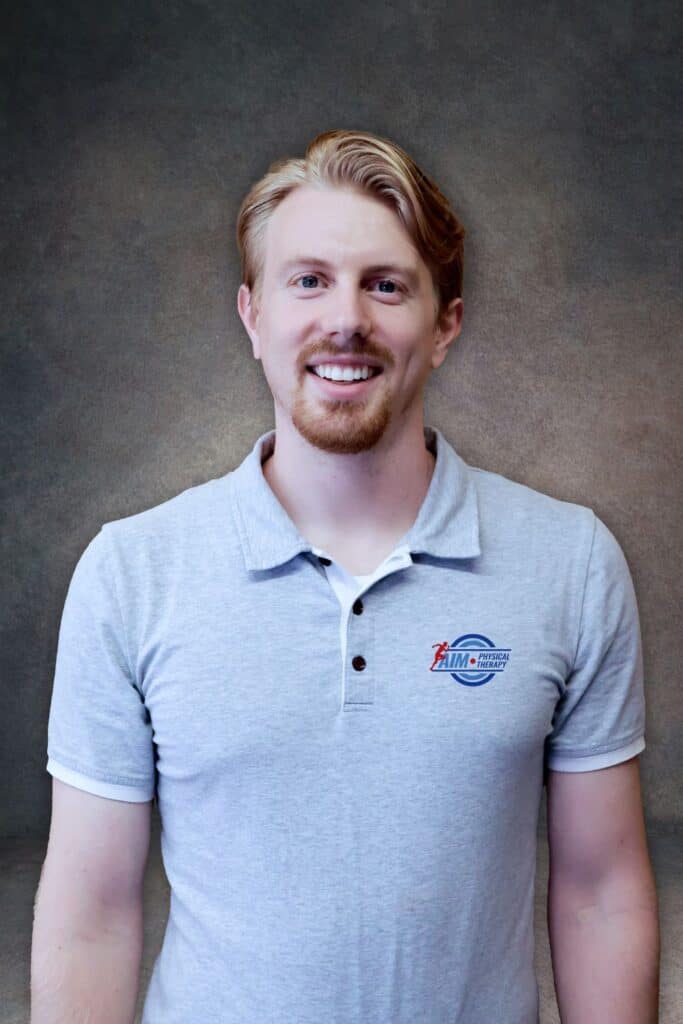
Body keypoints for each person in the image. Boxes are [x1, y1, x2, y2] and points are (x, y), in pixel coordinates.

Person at [32, 129, 660, 1024]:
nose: (345, 320)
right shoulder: (132, 574)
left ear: (444, 324)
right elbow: (90, 914)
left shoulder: (569, 563)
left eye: (386, 284)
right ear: (253, 316)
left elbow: (600, 892)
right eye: (308, 279)